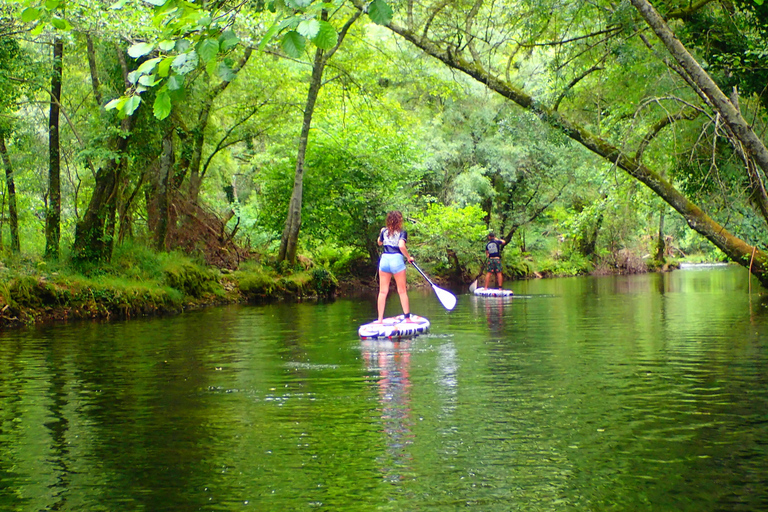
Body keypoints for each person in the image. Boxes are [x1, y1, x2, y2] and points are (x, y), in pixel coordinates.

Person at [376, 211, 415, 323]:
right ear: (400, 220)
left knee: (382, 292)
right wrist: (408, 257)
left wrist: (381, 233)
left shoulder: (384, 231)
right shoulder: (402, 232)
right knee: (402, 291)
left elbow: (379, 243)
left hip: (384, 260)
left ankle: (379, 320)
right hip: (396, 259)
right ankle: (407, 318)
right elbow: (401, 246)